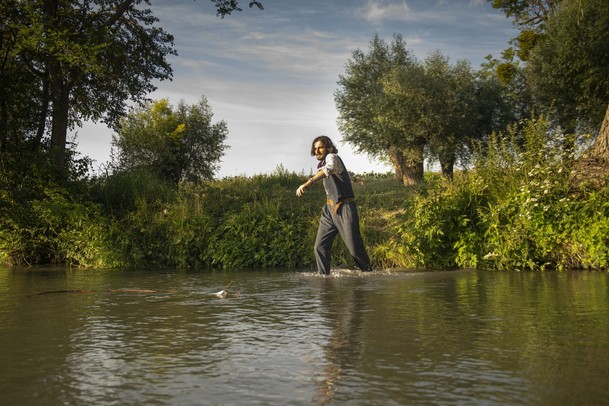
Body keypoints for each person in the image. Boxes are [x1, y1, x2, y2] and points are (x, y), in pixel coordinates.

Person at [296, 135, 372, 275]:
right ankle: (324, 278)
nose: (317, 151)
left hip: (344, 208)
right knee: (320, 247)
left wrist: (307, 183)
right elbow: (341, 173)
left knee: (354, 249)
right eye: (315, 149)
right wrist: (354, 178)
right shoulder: (326, 162)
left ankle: (368, 274)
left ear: (329, 148)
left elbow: (329, 169)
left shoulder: (332, 157)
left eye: (320, 148)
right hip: (328, 211)